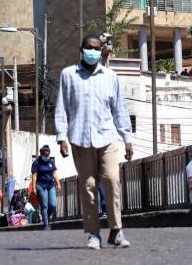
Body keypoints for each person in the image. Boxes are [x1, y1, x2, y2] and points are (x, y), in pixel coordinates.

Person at [55, 33, 133, 250]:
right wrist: (62, 137)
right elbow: (62, 107)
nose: (93, 52)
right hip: (80, 138)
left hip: (107, 137)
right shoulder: (68, 75)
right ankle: (94, 234)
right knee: (88, 186)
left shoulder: (110, 77)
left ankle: (116, 230)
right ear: (81, 50)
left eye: (97, 49)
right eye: (89, 48)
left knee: (111, 180)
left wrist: (127, 139)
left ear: (101, 52)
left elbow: (119, 110)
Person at [29, 144, 61, 230]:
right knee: (44, 205)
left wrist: (58, 183)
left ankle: (45, 216)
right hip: (41, 185)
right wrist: (34, 187)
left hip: (50, 185)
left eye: (48, 153)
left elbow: (54, 173)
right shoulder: (36, 162)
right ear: (41, 153)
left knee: (53, 204)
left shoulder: (51, 162)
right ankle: (46, 224)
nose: (47, 155)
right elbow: (34, 175)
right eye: (45, 153)